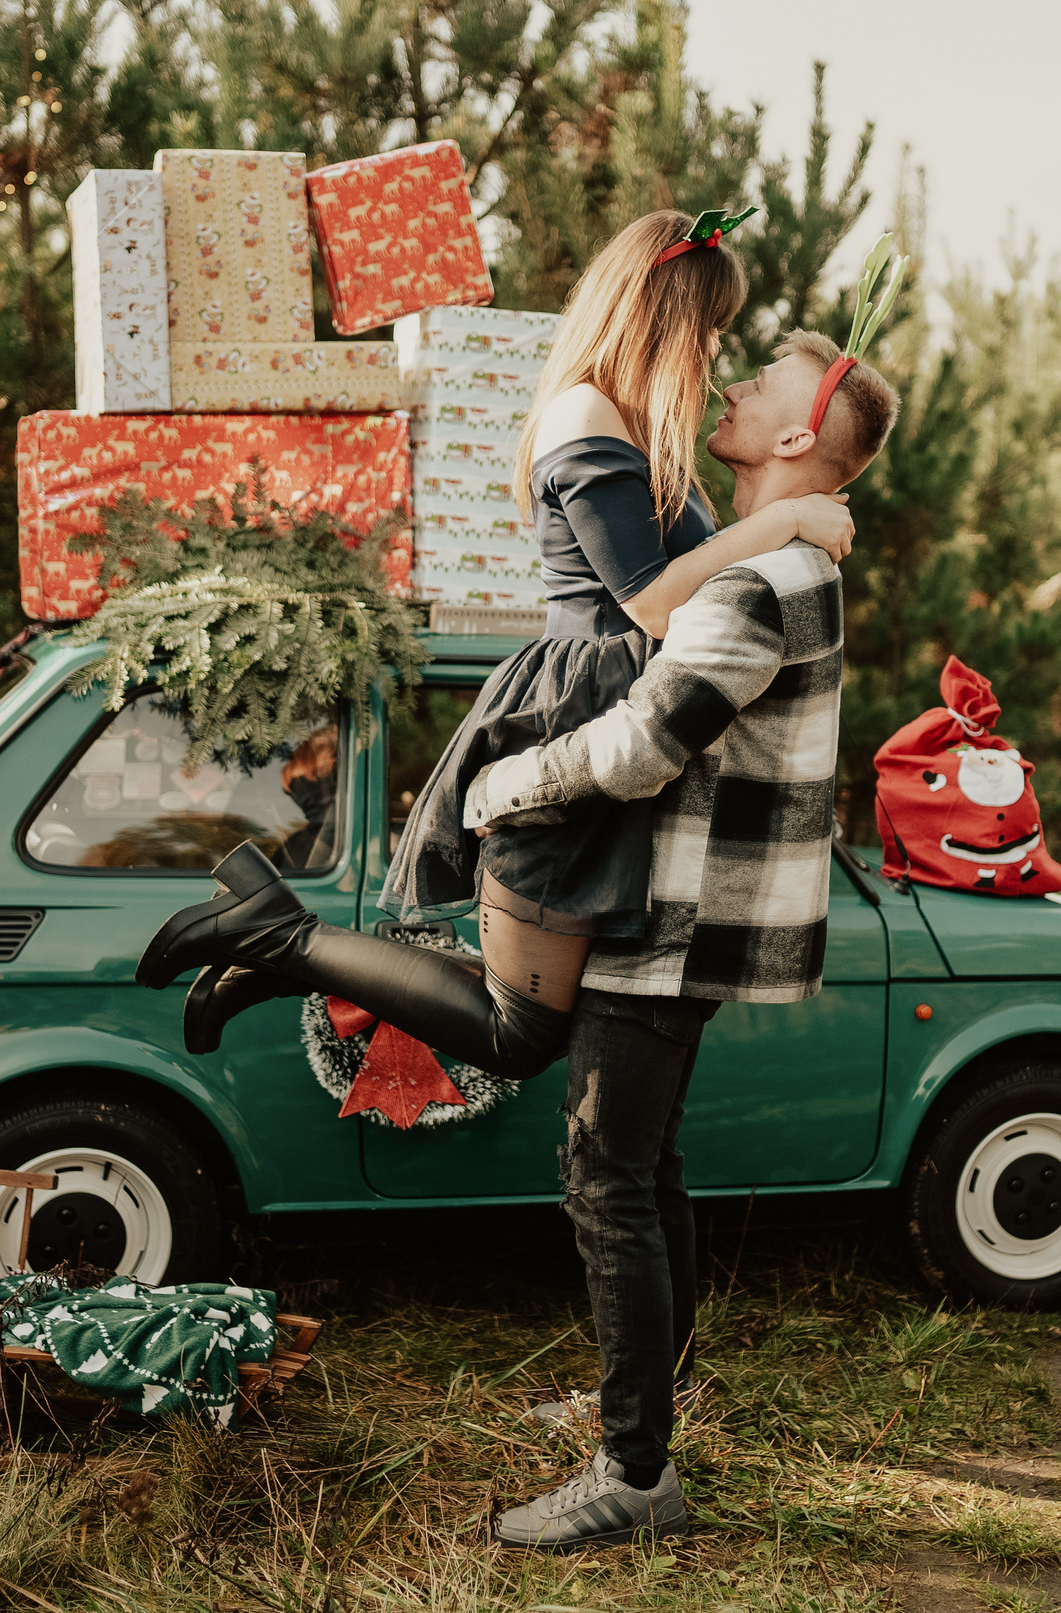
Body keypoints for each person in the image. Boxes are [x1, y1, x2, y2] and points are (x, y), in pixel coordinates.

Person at [139, 328, 903, 1550]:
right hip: (668, 906)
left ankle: (635, 1474)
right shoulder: (761, 559)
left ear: (799, 435)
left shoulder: (760, 587)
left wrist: (505, 786)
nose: (733, 383)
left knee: (605, 1176)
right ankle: (648, 1404)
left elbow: (646, 743)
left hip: (670, 913)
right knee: (642, 1171)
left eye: (757, 384)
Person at [134, 207, 854, 1073]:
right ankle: (275, 935)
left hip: (610, 718)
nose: (710, 356)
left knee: (529, 1017)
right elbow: (654, 604)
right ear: (661, 318)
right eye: (707, 329)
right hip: (575, 713)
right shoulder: (587, 415)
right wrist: (783, 518)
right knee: (520, 1033)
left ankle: (275, 955)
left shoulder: (633, 422)